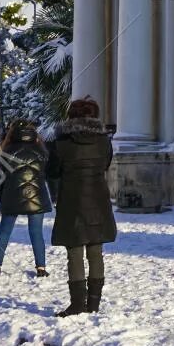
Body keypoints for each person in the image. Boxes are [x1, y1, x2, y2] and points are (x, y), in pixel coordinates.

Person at [48, 97, 116, 317]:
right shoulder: (104, 142)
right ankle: (94, 303)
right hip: (98, 200)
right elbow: (105, 165)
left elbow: (52, 172)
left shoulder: (61, 143)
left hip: (72, 201)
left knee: (74, 252)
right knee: (96, 251)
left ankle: (77, 304)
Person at [0, 120, 52, 277]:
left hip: (11, 197)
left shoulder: (7, 152)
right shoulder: (42, 151)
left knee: (4, 231)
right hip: (36, 197)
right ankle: (41, 268)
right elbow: (50, 175)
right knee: (36, 232)